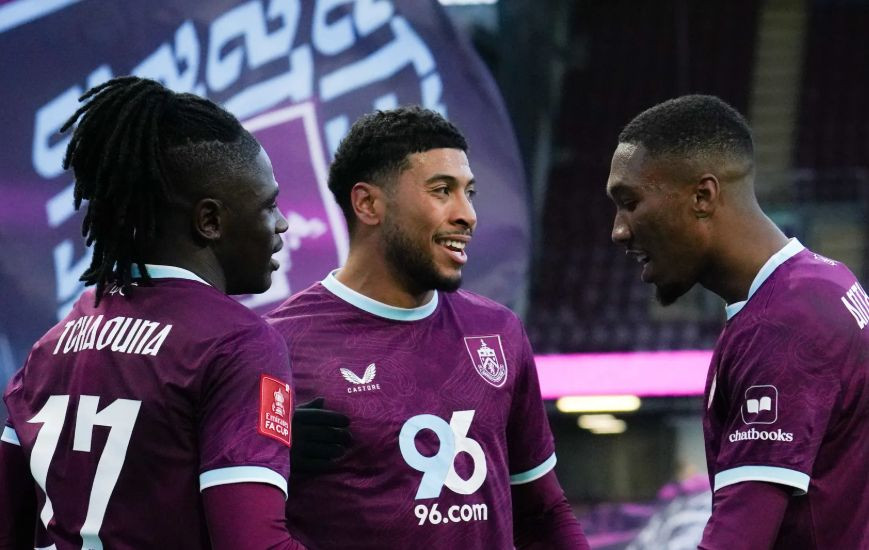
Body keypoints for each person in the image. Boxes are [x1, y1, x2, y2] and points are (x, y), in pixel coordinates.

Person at [0, 76, 304, 549]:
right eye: (269, 205)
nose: (282, 223)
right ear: (210, 221)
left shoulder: (50, 347)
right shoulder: (237, 343)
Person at [266, 106, 588, 549]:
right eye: (442, 191)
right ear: (368, 204)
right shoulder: (278, 344)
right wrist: (272, 457)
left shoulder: (496, 331)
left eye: (469, 193)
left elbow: (543, 511)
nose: (467, 215)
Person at [606, 95, 868, 549]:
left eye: (630, 202)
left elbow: (737, 540)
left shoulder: (784, 326)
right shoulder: (824, 280)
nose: (619, 230)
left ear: (703, 197)